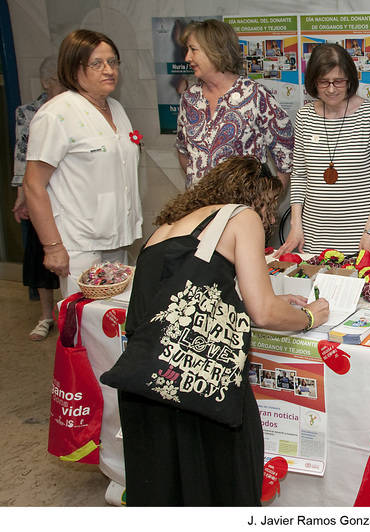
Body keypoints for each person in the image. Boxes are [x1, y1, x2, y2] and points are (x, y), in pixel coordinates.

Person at [115, 155, 330, 506]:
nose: (270, 215)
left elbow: (185, 299)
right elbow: (263, 313)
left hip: (146, 381)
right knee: (221, 488)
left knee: (164, 493)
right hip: (200, 380)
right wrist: (310, 318)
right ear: (256, 196)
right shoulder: (241, 216)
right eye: (269, 205)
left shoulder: (169, 225)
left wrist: (269, 298)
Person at [24, 30, 142, 298]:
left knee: (115, 323)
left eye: (113, 62)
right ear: (74, 67)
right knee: (84, 326)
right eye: (97, 63)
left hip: (117, 240)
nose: (108, 70)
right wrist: (52, 246)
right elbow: (33, 185)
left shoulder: (116, 109)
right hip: (79, 245)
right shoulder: (56, 114)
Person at [276, 44, 370, 260]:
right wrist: (296, 224)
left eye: (338, 81)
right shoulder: (304, 117)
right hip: (314, 236)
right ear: (313, 81)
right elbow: (299, 175)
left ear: (349, 80)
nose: (331, 89)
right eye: (323, 82)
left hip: (362, 236)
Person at [176, 20, 293, 189]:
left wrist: (267, 203)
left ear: (215, 51)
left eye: (193, 50)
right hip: (200, 209)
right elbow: (183, 151)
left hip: (243, 211)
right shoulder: (190, 98)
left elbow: (286, 158)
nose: (187, 57)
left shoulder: (255, 95)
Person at [12, 57, 64, 340]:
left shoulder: (76, 109)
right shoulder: (29, 112)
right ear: (46, 82)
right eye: (59, 79)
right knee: (40, 254)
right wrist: (21, 196)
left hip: (66, 193)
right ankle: (46, 316)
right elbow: (22, 156)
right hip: (39, 191)